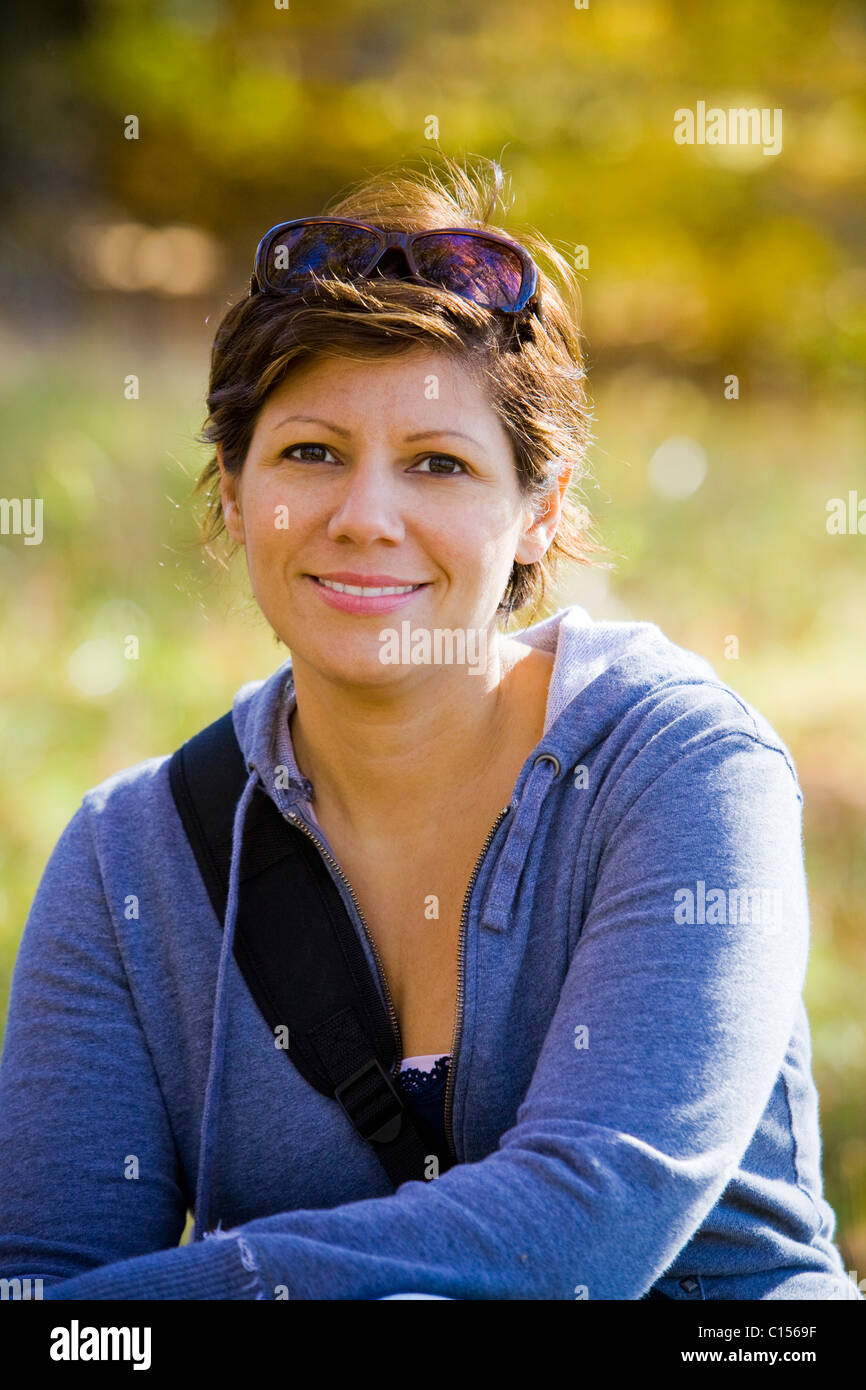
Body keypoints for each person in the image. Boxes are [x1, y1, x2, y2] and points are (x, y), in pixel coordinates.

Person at [0, 156, 859, 1301]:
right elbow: (49, 1288)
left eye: (437, 464)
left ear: (535, 513)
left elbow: (580, 1229)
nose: (365, 518)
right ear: (233, 487)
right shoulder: (128, 861)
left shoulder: (683, 772)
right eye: (310, 453)